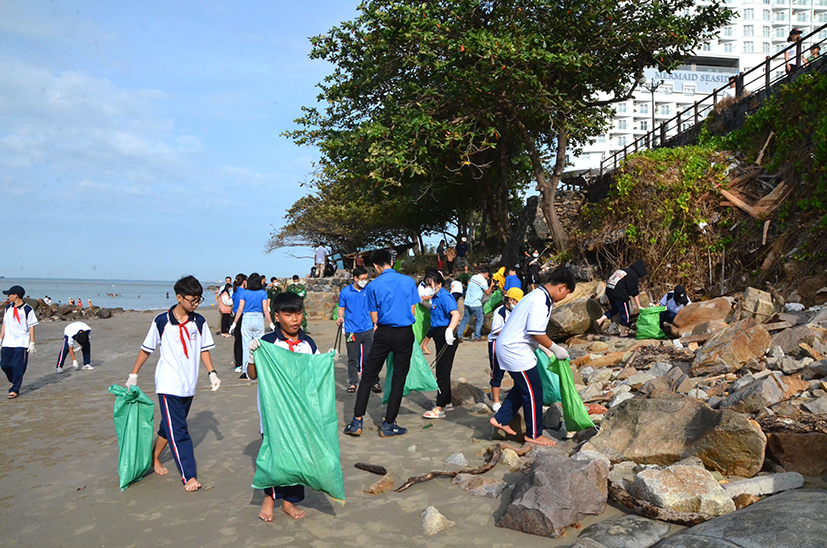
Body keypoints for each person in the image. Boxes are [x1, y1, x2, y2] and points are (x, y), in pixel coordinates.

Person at [125, 275, 220, 492]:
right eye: (192, 300)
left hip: (189, 384)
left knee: (168, 426)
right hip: (168, 384)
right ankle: (189, 476)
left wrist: (211, 372)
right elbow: (146, 348)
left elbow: (204, 349)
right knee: (179, 430)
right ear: (179, 297)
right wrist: (134, 374)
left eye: (198, 300)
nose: (195, 304)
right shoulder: (162, 321)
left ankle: (153, 458)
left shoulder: (200, 322)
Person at [247, 291, 318, 521]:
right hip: (273, 413)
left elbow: (315, 373)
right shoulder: (268, 343)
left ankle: (289, 502)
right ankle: (269, 498)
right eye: (288, 314)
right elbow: (252, 375)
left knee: (298, 455)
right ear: (277, 316)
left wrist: (327, 361)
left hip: (299, 412)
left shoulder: (308, 343)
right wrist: (251, 356)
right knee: (275, 456)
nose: (295, 319)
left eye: (298, 313)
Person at [489, 267, 576, 446]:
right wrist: (554, 348)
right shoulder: (540, 300)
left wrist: (546, 349)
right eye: (566, 293)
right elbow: (535, 332)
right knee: (534, 391)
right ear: (562, 287)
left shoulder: (539, 296)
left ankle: (501, 418)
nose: (564, 297)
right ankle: (534, 434)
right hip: (514, 349)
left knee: (525, 386)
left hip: (515, 347)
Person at [344, 248, 420, 438]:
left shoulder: (373, 286)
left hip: (383, 332)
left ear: (376, 266)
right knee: (398, 378)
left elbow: (374, 317)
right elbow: (412, 311)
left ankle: (357, 421)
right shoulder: (409, 281)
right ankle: (388, 423)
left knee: (368, 376)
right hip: (404, 333)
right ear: (392, 263)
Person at [421, 271, 460, 419]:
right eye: (426, 284)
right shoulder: (435, 298)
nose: (428, 287)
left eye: (430, 284)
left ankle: (440, 407)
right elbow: (434, 310)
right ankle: (448, 402)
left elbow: (455, 314)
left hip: (446, 335)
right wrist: (422, 303)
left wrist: (450, 331)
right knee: (443, 368)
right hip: (438, 334)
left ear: (439, 284)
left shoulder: (445, 297)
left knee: (442, 371)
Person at [336, 266, 377, 393]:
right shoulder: (345, 292)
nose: (365, 281)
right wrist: (340, 317)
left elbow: (374, 308)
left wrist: (376, 323)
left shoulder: (369, 290)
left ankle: (373, 382)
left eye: (366, 279)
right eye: (362, 279)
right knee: (353, 358)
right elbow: (341, 308)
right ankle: (353, 383)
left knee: (370, 358)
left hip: (368, 328)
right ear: (355, 278)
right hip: (351, 330)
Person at [487, 287, 524, 412]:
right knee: (497, 372)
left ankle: (515, 395)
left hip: (512, 343)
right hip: (497, 343)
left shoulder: (518, 312)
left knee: (516, 370)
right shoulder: (500, 311)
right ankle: (496, 401)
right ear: (511, 300)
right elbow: (496, 330)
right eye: (517, 301)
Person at [230, 272, 271, 379]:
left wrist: (234, 323)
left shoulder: (244, 293)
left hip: (247, 318)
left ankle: (246, 370)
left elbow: (240, 309)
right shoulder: (263, 293)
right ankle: (259, 368)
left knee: (246, 345)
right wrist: (271, 323)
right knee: (259, 345)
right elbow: (265, 310)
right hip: (258, 318)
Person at [1, 285, 38, 399]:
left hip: (21, 342)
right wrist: (0, 339)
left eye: (9, 295)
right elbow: (4, 324)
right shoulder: (8, 308)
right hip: (8, 342)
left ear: (16, 295)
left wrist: (32, 342)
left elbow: (31, 326)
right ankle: (14, 380)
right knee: (4, 365)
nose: (8, 297)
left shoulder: (27, 309)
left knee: (18, 367)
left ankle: (14, 389)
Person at [596, 260, 647, 337]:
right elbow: (634, 292)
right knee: (626, 314)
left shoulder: (623, 270)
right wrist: (639, 306)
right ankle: (623, 332)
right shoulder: (633, 275)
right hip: (619, 293)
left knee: (614, 309)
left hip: (609, 290)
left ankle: (600, 320)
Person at [458, 267, 495, 341]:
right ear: (486, 274)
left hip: (467, 302)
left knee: (465, 319)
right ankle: (476, 336)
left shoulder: (473, 277)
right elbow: (487, 293)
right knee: (479, 320)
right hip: (476, 303)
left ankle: (459, 335)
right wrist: (491, 285)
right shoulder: (483, 281)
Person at [231, 273, 247, 372]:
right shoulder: (243, 293)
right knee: (243, 341)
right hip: (242, 316)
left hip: (235, 315)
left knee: (237, 340)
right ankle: (242, 363)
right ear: (244, 282)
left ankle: (238, 363)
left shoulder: (235, 292)